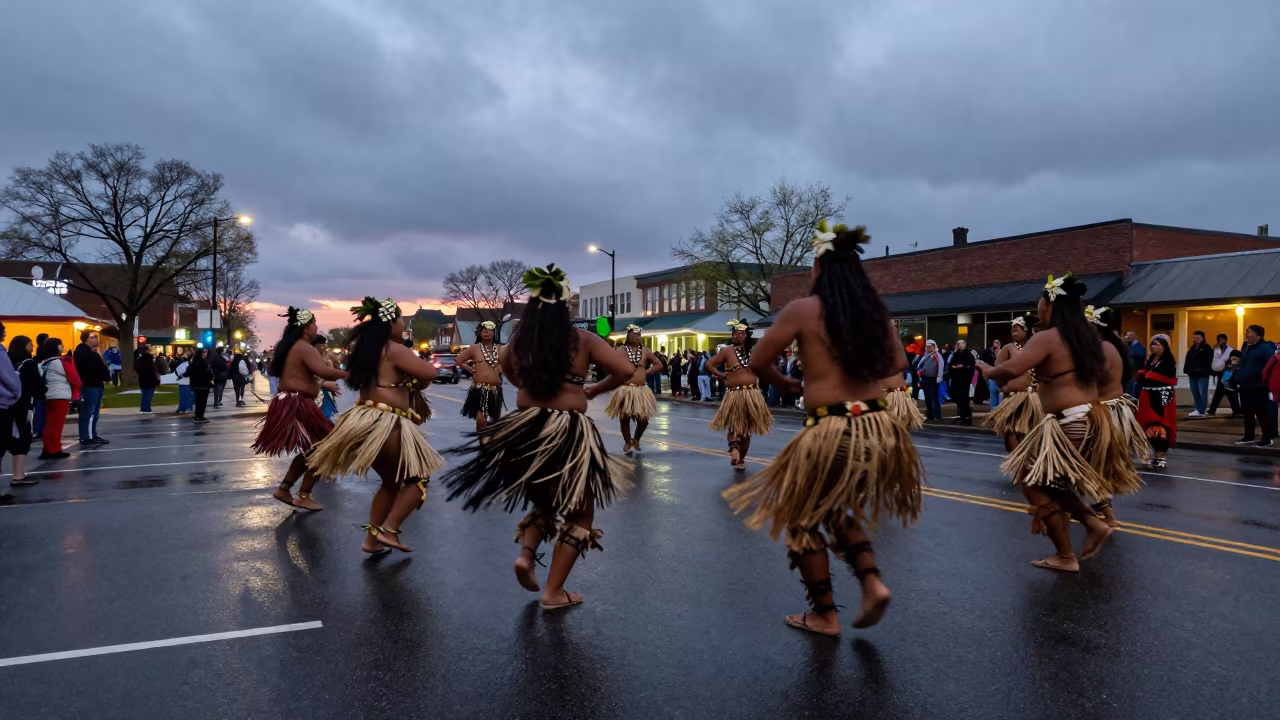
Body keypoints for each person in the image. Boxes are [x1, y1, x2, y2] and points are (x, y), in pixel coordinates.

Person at [723, 222, 922, 636]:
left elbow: (759, 361)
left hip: (833, 426)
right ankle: (870, 583)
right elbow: (898, 366)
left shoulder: (803, 309)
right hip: (878, 425)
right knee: (830, 508)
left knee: (801, 517)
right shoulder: (874, 314)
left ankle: (827, 613)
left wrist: (790, 384)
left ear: (818, 267)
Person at [443, 264, 634, 611]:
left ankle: (527, 557)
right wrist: (591, 390)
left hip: (525, 428)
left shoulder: (520, 341)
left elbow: (508, 369)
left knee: (545, 501)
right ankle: (552, 592)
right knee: (579, 515)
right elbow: (624, 370)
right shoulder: (583, 340)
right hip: (566, 432)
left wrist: (526, 386)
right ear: (564, 308)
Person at [977, 273, 1115, 573]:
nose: (1037, 306)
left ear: (1049, 303)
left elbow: (1012, 369)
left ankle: (1075, 545)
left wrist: (988, 369)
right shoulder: (1085, 338)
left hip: (1071, 423)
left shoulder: (1048, 337)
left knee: (1033, 483)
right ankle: (1084, 532)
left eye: (1039, 300)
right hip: (1090, 420)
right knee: (1049, 484)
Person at [308, 298, 443, 554]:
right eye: (401, 319)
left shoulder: (366, 350)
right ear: (391, 321)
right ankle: (390, 530)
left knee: (391, 483)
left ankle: (371, 541)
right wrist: (414, 376)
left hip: (365, 421)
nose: (403, 324)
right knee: (419, 479)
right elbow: (430, 373)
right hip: (388, 423)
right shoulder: (395, 349)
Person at [253, 307, 348, 511]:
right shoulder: (305, 347)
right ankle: (302, 495)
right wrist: (350, 374)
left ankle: (286, 489)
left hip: (293, 401)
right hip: (297, 403)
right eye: (314, 323)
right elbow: (322, 370)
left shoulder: (293, 346)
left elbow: (308, 376)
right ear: (306, 328)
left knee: (314, 449)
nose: (316, 326)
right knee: (324, 448)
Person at [1085, 305, 1145, 526]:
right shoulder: (1114, 346)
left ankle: (1106, 512)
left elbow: (1092, 378)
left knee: (1093, 462)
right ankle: (1102, 505)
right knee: (1099, 462)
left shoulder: (1103, 348)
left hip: (1105, 411)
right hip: (1113, 409)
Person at [706, 319, 773, 469]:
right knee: (734, 428)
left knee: (747, 433)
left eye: (740, 333)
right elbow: (708, 364)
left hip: (752, 395)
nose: (736, 336)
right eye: (734, 333)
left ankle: (741, 459)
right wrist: (721, 375)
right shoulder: (727, 351)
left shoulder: (755, 350)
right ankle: (733, 448)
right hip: (734, 395)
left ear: (746, 335)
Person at [983, 314, 1043, 453]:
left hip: (1036, 398)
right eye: (1012, 329)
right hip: (1015, 397)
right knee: (1012, 430)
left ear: (1027, 329)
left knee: (1034, 431)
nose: (1013, 332)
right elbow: (998, 370)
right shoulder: (1009, 348)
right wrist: (1005, 386)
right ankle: (1016, 459)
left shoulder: (1038, 347)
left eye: (1017, 329)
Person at [605, 324, 663, 455]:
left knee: (644, 419)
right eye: (633, 334)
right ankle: (627, 441)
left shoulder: (646, 350)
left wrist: (646, 372)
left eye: (638, 334)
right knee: (624, 418)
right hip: (625, 389)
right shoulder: (621, 350)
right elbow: (610, 364)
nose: (636, 336)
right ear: (628, 335)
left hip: (641, 390)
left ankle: (636, 439)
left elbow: (659, 365)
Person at [456, 321, 505, 435]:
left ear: (494, 333)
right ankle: (482, 440)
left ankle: (491, 442)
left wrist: (501, 369)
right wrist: (470, 369)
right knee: (481, 420)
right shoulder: (474, 348)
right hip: (479, 389)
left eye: (489, 331)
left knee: (496, 420)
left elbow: (508, 364)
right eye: (483, 331)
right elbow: (459, 360)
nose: (486, 333)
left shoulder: (500, 349)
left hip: (495, 390)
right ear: (479, 333)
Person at [1136, 336, 1178, 468]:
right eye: (1151, 345)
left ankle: (1160, 457)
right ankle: (1148, 454)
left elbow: (1169, 376)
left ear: (1163, 347)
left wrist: (1151, 374)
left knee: (1160, 425)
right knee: (1146, 424)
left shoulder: (1168, 360)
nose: (1153, 347)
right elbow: (1145, 374)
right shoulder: (1150, 360)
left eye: (1156, 344)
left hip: (1162, 396)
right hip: (1148, 395)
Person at [37, 337, 80, 460]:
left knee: (49, 424)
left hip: (49, 395)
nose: (63, 346)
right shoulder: (60, 362)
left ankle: (48, 448)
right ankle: (55, 449)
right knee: (57, 425)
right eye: (61, 345)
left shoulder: (44, 363)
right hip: (60, 396)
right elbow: (74, 378)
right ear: (56, 347)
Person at [6, 335, 39, 489]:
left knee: (12, 438)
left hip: (6, 404)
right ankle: (18, 476)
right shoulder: (29, 363)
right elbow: (36, 385)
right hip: (23, 404)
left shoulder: (7, 361)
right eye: (30, 344)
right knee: (23, 438)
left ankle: (18, 474)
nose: (32, 347)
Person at [1236, 325, 1277, 447]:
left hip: (1259, 386)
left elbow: (1269, 366)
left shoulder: (1266, 347)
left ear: (1258, 334)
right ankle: (1248, 436)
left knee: (1262, 414)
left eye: (1250, 332)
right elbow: (1243, 364)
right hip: (1245, 385)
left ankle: (1267, 438)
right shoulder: (1246, 347)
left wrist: (1258, 377)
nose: (1247, 334)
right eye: (1247, 332)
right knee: (1247, 412)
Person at [73, 330, 111, 445]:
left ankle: (92, 434)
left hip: (96, 384)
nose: (96, 339)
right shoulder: (84, 354)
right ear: (86, 339)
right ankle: (87, 436)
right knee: (89, 412)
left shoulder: (92, 353)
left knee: (94, 412)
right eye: (93, 337)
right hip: (90, 385)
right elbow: (96, 369)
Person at [1183, 330, 1213, 418]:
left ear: (1203, 338)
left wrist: (1202, 370)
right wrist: (1187, 369)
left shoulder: (1207, 348)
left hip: (1202, 374)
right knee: (1195, 392)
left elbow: (1208, 362)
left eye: (1198, 338)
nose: (1196, 340)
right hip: (1192, 374)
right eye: (1194, 338)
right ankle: (1197, 408)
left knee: (1202, 392)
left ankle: (1201, 410)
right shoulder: (1192, 348)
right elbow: (1188, 359)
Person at [1208, 333, 1238, 417]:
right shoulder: (1216, 349)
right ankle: (1236, 410)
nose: (1221, 341)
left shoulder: (1230, 350)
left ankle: (1213, 409)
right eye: (1220, 340)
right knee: (1228, 391)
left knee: (1225, 391)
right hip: (1219, 373)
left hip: (1228, 373)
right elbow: (1214, 361)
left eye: (1222, 339)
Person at [948, 339, 975, 425]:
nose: (960, 345)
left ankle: (966, 417)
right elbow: (951, 366)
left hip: (964, 380)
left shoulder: (968, 354)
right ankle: (961, 415)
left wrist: (962, 367)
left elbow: (971, 366)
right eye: (959, 344)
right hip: (956, 380)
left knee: (964, 398)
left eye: (962, 343)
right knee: (957, 398)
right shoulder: (955, 354)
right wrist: (954, 367)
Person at [918, 340, 944, 420]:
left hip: (933, 379)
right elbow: (920, 365)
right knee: (928, 397)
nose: (929, 348)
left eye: (931, 347)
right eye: (928, 347)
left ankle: (937, 415)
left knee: (934, 397)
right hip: (925, 379)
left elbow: (941, 366)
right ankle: (930, 414)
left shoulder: (937, 355)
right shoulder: (925, 355)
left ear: (934, 347)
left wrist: (939, 377)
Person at [187, 347, 214, 423]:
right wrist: (210, 375)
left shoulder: (193, 362)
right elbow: (208, 373)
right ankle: (199, 416)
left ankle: (199, 415)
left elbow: (189, 371)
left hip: (196, 384)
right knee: (201, 401)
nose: (205, 354)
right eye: (204, 352)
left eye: (206, 352)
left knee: (200, 401)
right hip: (203, 384)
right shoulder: (203, 362)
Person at [135, 343, 160, 413]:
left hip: (142, 379)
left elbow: (137, 368)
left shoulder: (139, 359)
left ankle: (143, 408)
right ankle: (147, 408)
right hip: (150, 380)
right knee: (149, 395)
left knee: (144, 395)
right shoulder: (151, 359)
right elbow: (153, 370)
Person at [32, 333, 49, 437]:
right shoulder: (43, 354)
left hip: (42, 385)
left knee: (41, 408)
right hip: (42, 385)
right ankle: (40, 430)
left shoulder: (40, 355)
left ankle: (40, 429)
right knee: (41, 408)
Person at [1123, 330, 1146, 397]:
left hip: (1135, 375)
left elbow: (1142, 354)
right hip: (1127, 374)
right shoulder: (1127, 346)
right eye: (1126, 336)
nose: (1127, 338)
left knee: (1131, 394)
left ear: (1134, 337)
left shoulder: (1139, 347)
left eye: (1129, 337)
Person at [982, 340, 1003, 409]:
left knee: (1001, 396)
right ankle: (993, 411)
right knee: (993, 394)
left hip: (1001, 379)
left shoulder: (1004, 354)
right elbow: (987, 362)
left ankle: (999, 412)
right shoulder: (990, 354)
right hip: (992, 378)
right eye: (995, 344)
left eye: (998, 344)